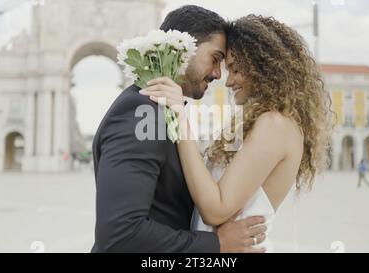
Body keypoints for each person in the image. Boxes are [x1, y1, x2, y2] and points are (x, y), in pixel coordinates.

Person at [141, 15, 333, 252]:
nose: (228, 81)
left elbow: (216, 209)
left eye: (235, 69)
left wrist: (180, 118)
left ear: (263, 66)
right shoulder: (250, 122)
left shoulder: (275, 125)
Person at [91, 5, 266, 253]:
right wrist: (217, 244)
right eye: (215, 59)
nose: (218, 74)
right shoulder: (141, 111)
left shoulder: (162, 110)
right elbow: (121, 233)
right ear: (184, 49)